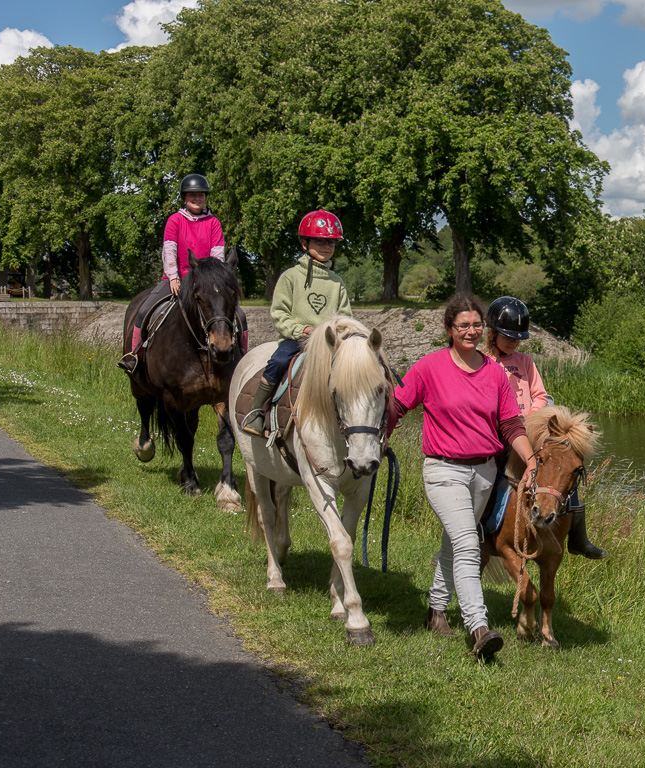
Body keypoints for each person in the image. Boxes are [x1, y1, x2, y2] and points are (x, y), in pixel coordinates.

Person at [387, 294, 538, 662]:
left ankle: (436, 610)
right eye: (462, 326)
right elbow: (397, 405)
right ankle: (479, 628)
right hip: (443, 471)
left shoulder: (494, 372)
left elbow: (510, 423)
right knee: (469, 545)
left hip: (485, 472)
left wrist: (531, 461)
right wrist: (378, 440)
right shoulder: (429, 367)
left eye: (475, 325)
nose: (470, 332)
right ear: (449, 329)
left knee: (455, 543)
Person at [483, 296, 608, 559]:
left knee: (563, 472)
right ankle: (478, 531)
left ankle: (577, 537)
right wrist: (507, 417)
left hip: (529, 430)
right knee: (488, 479)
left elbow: (540, 394)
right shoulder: (483, 362)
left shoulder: (525, 361)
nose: (514, 342)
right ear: (492, 333)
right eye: (508, 336)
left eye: (517, 338)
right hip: (498, 433)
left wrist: (532, 416)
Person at [241, 209, 351, 437]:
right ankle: (256, 412)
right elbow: (279, 313)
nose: (326, 246)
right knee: (278, 361)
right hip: (296, 340)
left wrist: (337, 334)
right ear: (304, 243)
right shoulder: (290, 277)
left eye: (331, 242)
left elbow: (345, 316)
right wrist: (302, 330)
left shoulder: (337, 282)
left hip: (329, 344)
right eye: (320, 241)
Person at [119, 173, 240, 373]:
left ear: (206, 197)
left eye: (201, 195)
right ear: (184, 197)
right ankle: (134, 356)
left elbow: (217, 257)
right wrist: (174, 277)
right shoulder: (175, 220)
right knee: (143, 311)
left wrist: (214, 282)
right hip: (176, 278)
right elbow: (169, 250)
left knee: (240, 317)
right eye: (192, 195)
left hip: (206, 283)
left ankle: (239, 355)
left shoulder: (213, 223)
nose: (197, 198)